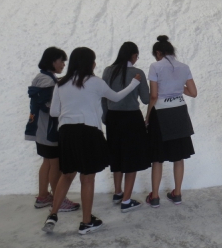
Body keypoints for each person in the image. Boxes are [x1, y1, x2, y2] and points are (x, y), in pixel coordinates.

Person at [42, 47, 141, 234]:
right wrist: (134, 84)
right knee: (87, 179)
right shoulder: (95, 82)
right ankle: (86, 222)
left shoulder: (61, 83)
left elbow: (54, 112)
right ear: (89, 63)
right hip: (88, 132)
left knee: (67, 175)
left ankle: (53, 214)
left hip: (66, 133)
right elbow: (116, 97)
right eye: (93, 60)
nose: (95, 63)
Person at [145, 36, 197, 207]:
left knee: (157, 158)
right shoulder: (184, 67)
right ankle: (177, 194)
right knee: (179, 157)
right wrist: (176, 87)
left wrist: (147, 116)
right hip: (179, 112)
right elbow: (193, 92)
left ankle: (154, 197)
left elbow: (153, 95)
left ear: (158, 52)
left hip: (160, 113)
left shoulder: (155, 66)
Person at [26, 47, 80, 212]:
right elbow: (49, 107)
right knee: (55, 164)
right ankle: (59, 200)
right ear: (52, 61)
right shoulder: (48, 82)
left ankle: (43, 196)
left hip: (40, 130)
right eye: (61, 61)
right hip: (49, 131)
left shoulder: (41, 77)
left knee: (47, 162)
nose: (63, 64)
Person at [102, 42, 151, 213]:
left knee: (116, 155)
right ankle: (126, 200)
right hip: (131, 119)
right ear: (133, 55)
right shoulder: (137, 73)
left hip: (112, 118)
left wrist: (105, 116)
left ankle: (118, 193)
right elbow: (146, 99)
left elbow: (103, 97)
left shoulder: (108, 71)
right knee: (132, 158)